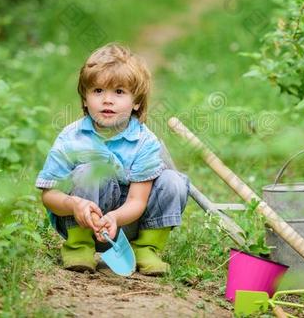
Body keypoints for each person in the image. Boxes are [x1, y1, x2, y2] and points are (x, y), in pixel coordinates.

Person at [35, 43, 189, 275]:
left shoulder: (144, 142)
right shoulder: (72, 138)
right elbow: (49, 195)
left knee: (173, 181)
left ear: (136, 102)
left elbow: (138, 200)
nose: (107, 100)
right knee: (90, 171)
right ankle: (79, 247)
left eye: (119, 92)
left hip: (126, 224)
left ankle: (146, 248)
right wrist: (74, 204)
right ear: (85, 99)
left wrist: (115, 217)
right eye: (98, 91)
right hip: (82, 223)